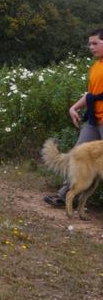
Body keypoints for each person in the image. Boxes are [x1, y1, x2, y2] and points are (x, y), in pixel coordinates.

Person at [44, 28, 103, 207]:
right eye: (89, 44)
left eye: (95, 43)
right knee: (79, 156)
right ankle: (64, 196)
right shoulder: (95, 67)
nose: (91, 47)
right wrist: (74, 107)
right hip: (93, 120)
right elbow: (92, 95)